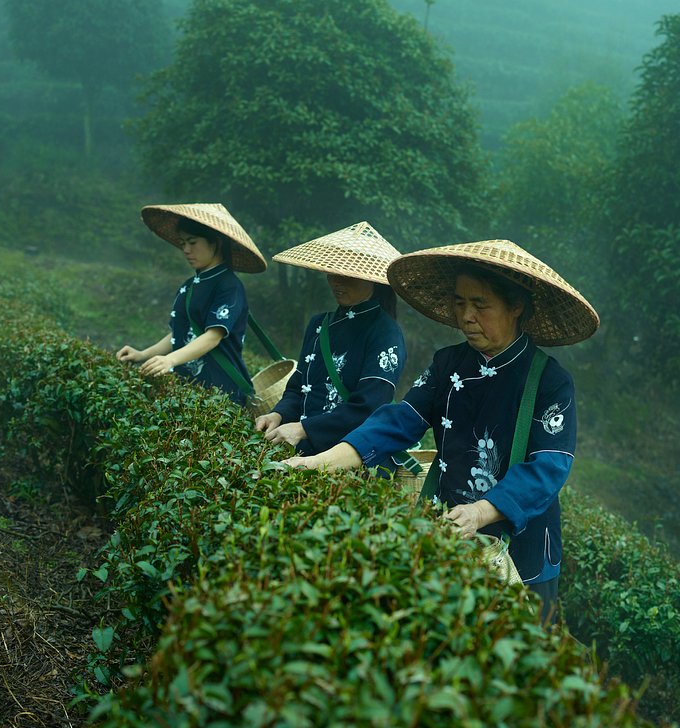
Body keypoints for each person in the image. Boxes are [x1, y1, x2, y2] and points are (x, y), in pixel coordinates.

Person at [283, 239, 599, 623]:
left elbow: (549, 468)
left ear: (516, 306)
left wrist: (481, 512)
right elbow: (398, 421)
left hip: (522, 554)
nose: (467, 316)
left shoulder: (549, 380)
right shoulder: (447, 363)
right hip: (451, 536)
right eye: (460, 302)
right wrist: (319, 462)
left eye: (480, 304)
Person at [254, 222, 407, 461]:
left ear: (372, 278)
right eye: (333, 272)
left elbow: (369, 407)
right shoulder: (319, 324)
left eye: (348, 275)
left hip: (349, 459)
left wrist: (303, 428)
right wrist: (279, 415)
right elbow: (298, 387)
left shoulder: (385, 333)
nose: (337, 281)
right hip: (301, 453)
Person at [116, 203, 267, 406]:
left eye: (192, 242)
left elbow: (213, 336)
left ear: (216, 243)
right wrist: (143, 354)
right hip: (188, 387)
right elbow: (180, 334)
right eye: (182, 243)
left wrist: (170, 360)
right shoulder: (189, 286)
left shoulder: (229, 285)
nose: (186, 249)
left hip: (220, 392)